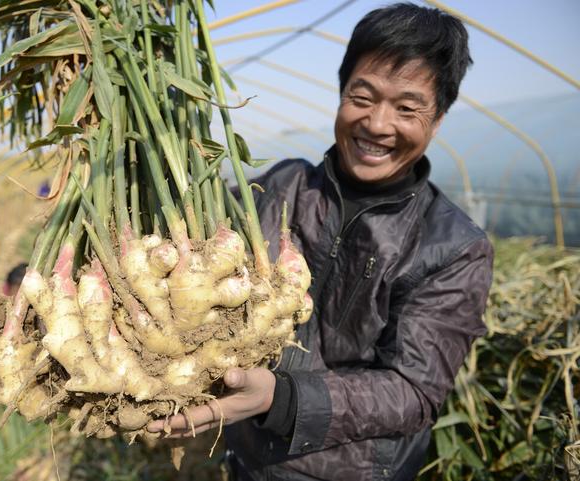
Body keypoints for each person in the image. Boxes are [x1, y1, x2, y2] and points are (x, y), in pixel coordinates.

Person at [147, 4, 494, 480]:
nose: (376, 124)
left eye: (407, 108)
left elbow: (413, 392)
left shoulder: (453, 246)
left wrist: (281, 397)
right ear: (341, 94)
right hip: (247, 457)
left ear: (437, 120)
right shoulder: (283, 186)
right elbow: (176, 236)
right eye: (363, 96)